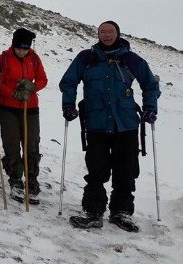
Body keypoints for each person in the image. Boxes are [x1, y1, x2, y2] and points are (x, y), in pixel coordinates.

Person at [59, 20, 160, 232]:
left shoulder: (129, 59)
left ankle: (121, 212)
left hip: (126, 124)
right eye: (102, 31)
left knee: (126, 169)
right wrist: (68, 104)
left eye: (110, 31)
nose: (106, 35)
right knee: (96, 169)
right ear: (98, 34)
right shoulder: (87, 58)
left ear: (118, 33)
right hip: (96, 123)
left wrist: (150, 107)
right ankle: (93, 211)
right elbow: (69, 81)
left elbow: (150, 84)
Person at [0, 28, 48, 204]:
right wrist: (13, 93)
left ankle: (31, 180)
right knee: (12, 143)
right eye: (19, 48)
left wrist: (33, 87)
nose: (22, 51)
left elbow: (43, 79)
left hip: (30, 107)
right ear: (13, 44)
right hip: (7, 107)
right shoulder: (3, 59)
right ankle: (15, 179)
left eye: (25, 48)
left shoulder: (34, 58)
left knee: (31, 144)